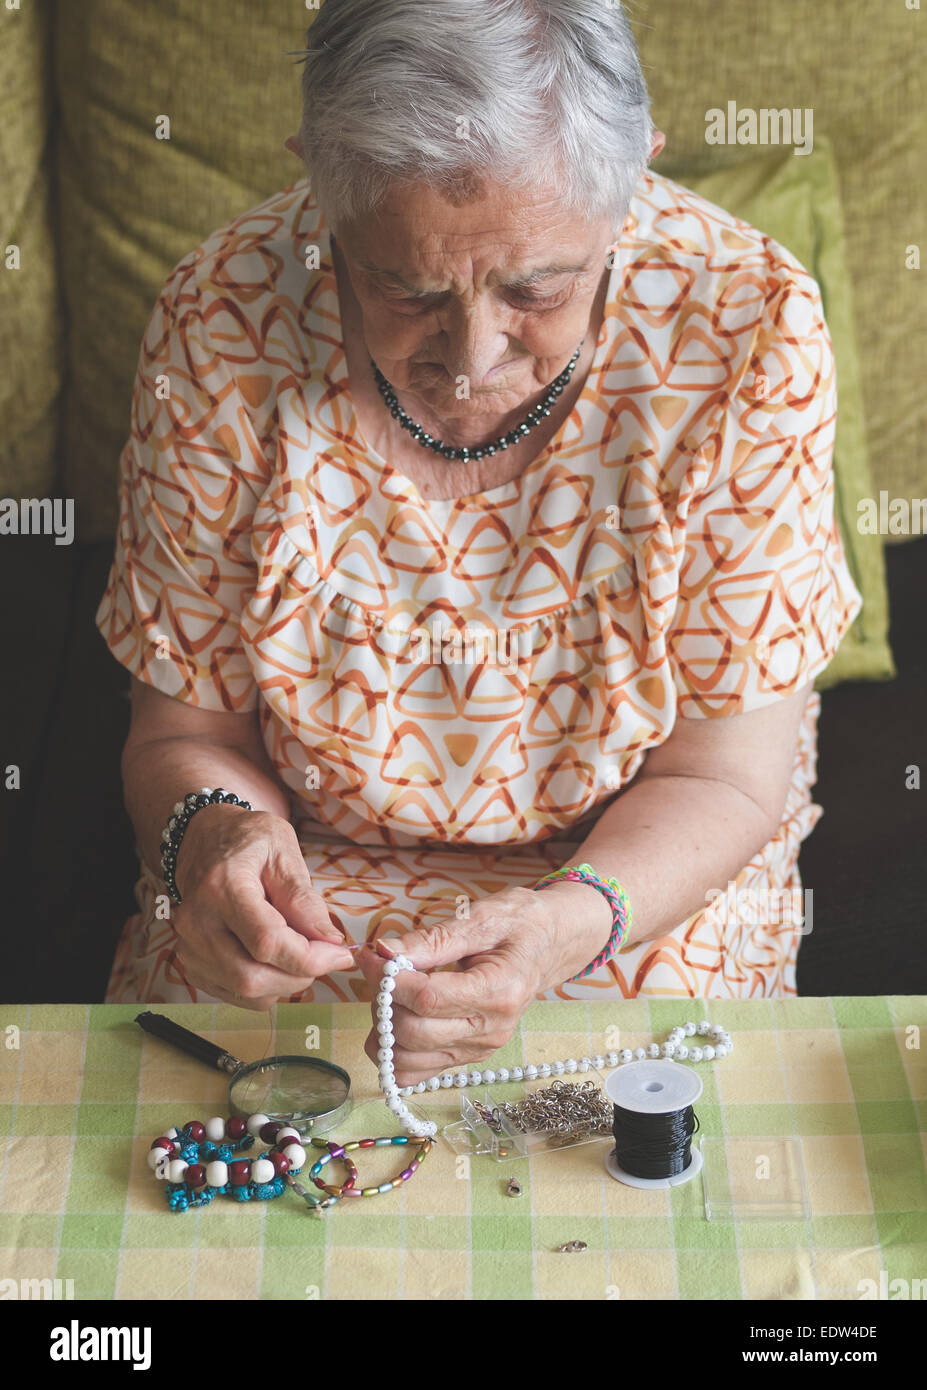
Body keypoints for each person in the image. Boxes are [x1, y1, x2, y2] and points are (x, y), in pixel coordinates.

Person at [96, 0, 861, 1085]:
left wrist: (566, 927)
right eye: (403, 289)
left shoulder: (749, 329)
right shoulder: (218, 324)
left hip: (637, 877)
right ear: (316, 182)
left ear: (633, 175)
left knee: (627, 1155)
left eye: (537, 288)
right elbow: (181, 734)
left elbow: (728, 779)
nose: (472, 356)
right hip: (311, 873)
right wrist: (210, 835)